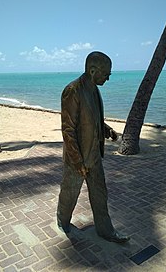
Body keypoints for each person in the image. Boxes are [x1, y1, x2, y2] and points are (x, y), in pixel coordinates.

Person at [57, 51, 130, 243]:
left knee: (100, 194)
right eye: (106, 73)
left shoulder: (94, 90)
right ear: (92, 71)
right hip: (78, 158)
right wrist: (77, 161)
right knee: (69, 193)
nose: (108, 77)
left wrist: (108, 130)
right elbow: (68, 130)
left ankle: (105, 230)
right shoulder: (72, 90)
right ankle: (62, 220)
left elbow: (92, 120)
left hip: (94, 155)